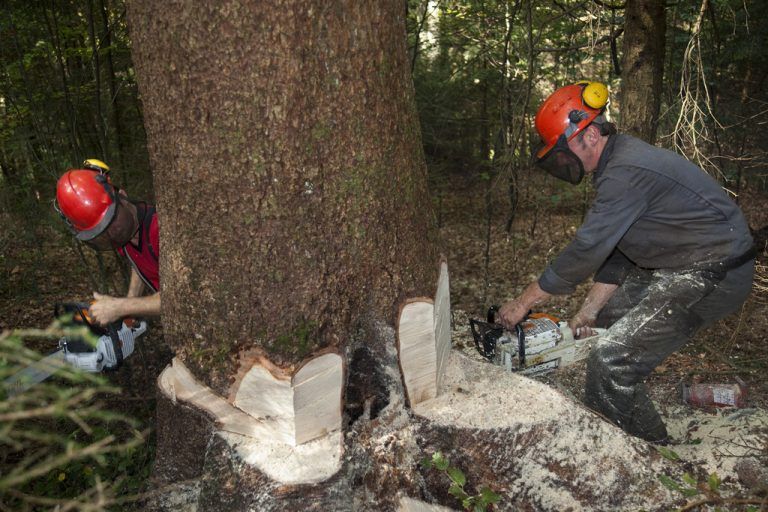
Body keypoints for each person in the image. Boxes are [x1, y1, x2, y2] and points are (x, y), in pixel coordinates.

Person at [498, 82, 755, 443]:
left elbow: (588, 247)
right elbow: (620, 250)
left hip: (716, 270)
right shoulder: (618, 163)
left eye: (562, 149)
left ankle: (649, 452)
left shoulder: (624, 172)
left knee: (610, 359)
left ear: (587, 135)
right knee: (603, 325)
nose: (561, 161)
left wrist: (525, 302)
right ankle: (613, 409)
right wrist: (589, 310)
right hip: (684, 263)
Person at [55, 160, 161, 326]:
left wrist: (123, 307)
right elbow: (138, 260)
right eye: (103, 230)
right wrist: (131, 301)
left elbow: (182, 297)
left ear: (123, 196)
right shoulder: (122, 237)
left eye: (112, 220)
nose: (112, 231)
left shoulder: (159, 229)